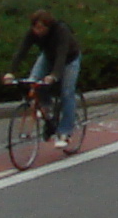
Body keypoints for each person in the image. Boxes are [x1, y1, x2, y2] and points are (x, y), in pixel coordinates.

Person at [6, 9, 82, 142]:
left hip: (69, 59)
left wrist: (54, 75)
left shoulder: (61, 31)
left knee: (67, 92)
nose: (37, 31)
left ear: (48, 26)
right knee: (33, 81)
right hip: (48, 56)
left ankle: (65, 131)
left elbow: (61, 55)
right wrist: (10, 72)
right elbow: (21, 52)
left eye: (41, 28)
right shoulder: (32, 33)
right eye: (35, 27)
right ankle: (47, 108)